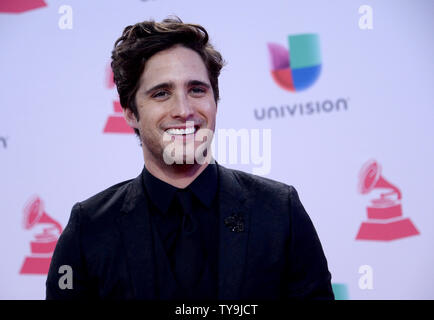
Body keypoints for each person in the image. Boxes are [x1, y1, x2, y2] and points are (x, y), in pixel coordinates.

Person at [45, 17, 334, 300]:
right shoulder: (90, 228)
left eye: (196, 89)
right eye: (161, 93)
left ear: (215, 101)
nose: (183, 110)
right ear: (131, 113)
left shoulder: (279, 210)